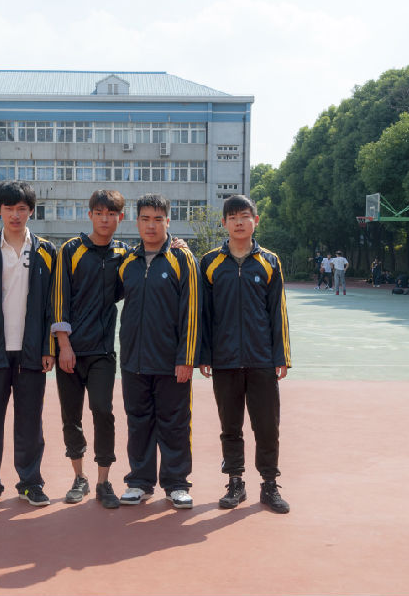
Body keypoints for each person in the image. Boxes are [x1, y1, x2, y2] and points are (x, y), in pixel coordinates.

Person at [0, 181, 57, 509]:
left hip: (32, 352)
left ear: (31, 211)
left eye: (21, 209)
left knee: (30, 422)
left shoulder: (46, 252)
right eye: (8, 209)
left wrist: (48, 348)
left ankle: (31, 483)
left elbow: (52, 305)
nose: (15, 215)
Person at [199, 195, 292, 514]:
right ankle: (235, 483)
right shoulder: (210, 262)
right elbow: (204, 313)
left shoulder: (269, 261)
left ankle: (269, 484)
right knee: (230, 426)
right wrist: (204, 354)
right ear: (224, 223)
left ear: (255, 220)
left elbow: (278, 310)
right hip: (224, 360)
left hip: (261, 359)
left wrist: (281, 355)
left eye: (244, 216)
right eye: (232, 217)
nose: (239, 222)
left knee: (267, 426)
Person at [115, 193, 200, 509]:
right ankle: (139, 482)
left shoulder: (182, 259)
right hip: (133, 360)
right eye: (145, 219)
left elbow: (192, 310)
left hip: (171, 362)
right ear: (136, 221)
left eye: (158, 219)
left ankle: (177, 483)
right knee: (138, 423)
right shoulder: (127, 261)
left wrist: (186, 358)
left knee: (175, 424)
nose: (151, 225)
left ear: (168, 221)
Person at [51, 190, 130, 509]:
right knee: (71, 417)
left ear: (120, 217)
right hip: (69, 351)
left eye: (111, 214)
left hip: (102, 351)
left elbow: (147, 262)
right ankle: (79, 478)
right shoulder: (71, 250)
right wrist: (63, 345)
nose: (105, 219)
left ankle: (103, 481)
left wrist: (176, 244)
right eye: (99, 213)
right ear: (90, 215)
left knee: (103, 411)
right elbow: (59, 298)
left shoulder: (124, 253)